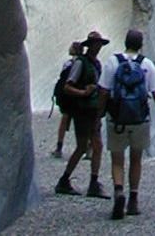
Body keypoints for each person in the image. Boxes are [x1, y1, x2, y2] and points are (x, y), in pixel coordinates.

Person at [96, 29, 155, 220]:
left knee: (117, 159)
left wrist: (98, 115)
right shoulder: (147, 65)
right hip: (140, 119)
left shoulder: (113, 62)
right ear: (141, 45)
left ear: (125, 42)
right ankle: (133, 200)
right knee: (136, 159)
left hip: (117, 118)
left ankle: (118, 190)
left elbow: (104, 92)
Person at [55, 30, 110, 199]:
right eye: (96, 44)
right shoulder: (81, 63)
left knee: (92, 146)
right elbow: (67, 86)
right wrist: (84, 93)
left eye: (99, 44)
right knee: (87, 146)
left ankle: (71, 180)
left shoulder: (96, 64)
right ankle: (81, 182)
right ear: (90, 45)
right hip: (83, 111)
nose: (98, 47)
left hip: (92, 111)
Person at [52, 41, 83, 158]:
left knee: (64, 121)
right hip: (80, 96)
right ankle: (88, 148)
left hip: (69, 97)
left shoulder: (69, 63)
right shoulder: (84, 63)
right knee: (83, 123)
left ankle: (59, 147)